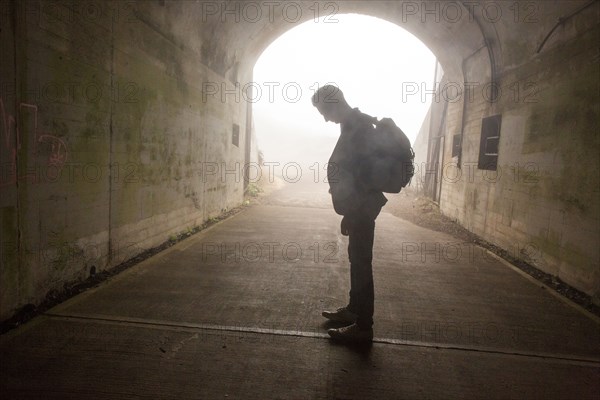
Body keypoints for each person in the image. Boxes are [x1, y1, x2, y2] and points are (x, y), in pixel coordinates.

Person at [311, 85, 387, 343]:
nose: (324, 118)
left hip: (362, 207)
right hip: (359, 207)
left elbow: (363, 176)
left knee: (362, 263)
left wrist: (353, 212)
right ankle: (355, 310)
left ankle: (363, 327)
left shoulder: (359, 127)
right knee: (357, 260)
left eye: (324, 111)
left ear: (335, 103)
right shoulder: (353, 125)